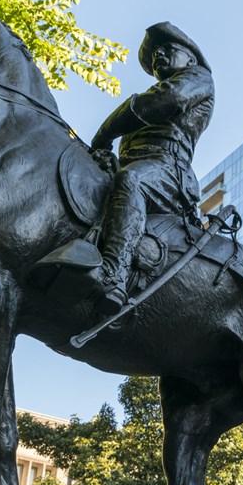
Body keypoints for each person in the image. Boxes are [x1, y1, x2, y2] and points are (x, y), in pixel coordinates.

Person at [88, 22, 215, 314]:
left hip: (169, 172)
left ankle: (114, 274)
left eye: (167, 49)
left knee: (132, 180)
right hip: (140, 165)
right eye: (155, 52)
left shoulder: (198, 78)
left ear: (190, 59)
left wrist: (104, 135)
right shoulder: (151, 95)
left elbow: (166, 100)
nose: (159, 54)